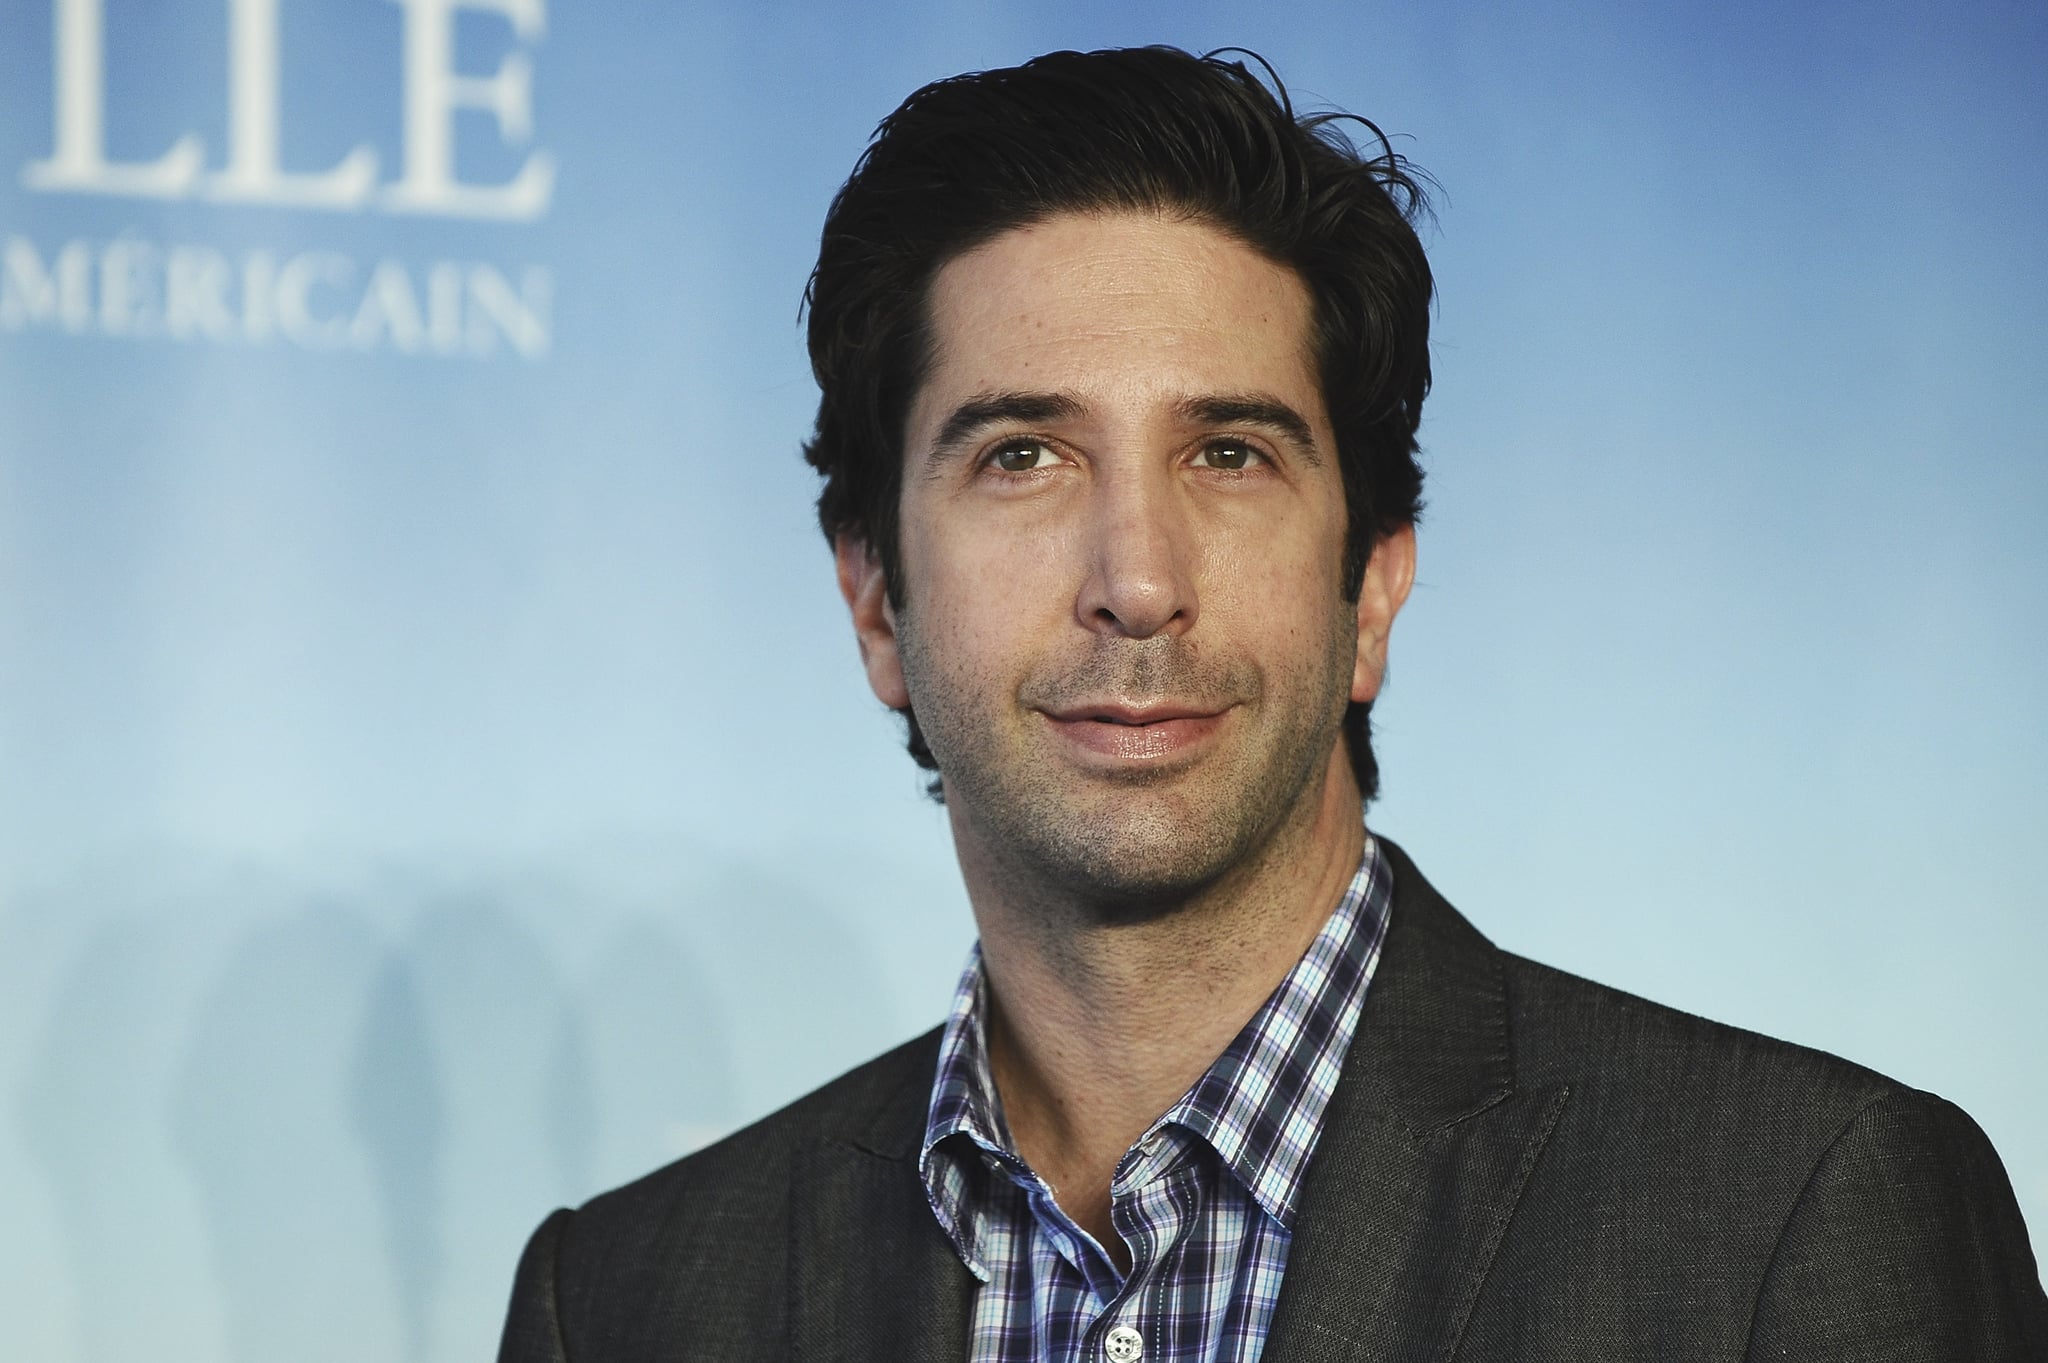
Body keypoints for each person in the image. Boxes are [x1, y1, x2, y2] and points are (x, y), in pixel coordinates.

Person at [497, 46, 2045, 1362]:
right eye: (1022, 454)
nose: (1138, 578)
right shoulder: (629, 1303)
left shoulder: (1795, 1216)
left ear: (1371, 584)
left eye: (1229, 452)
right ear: (874, 600)